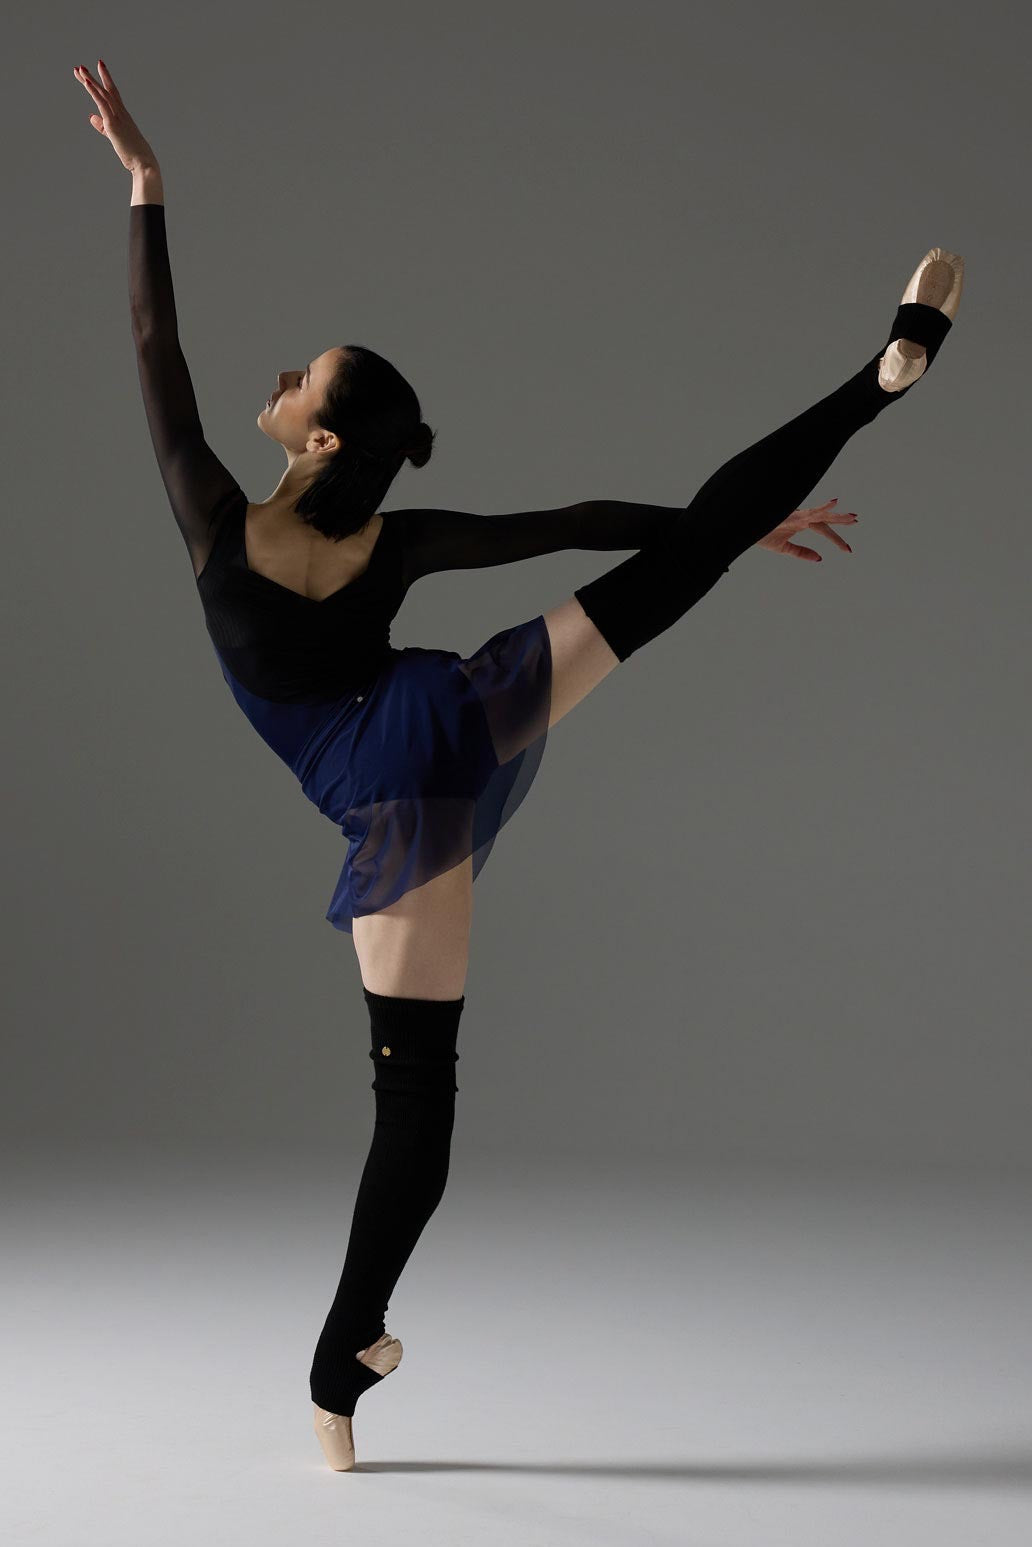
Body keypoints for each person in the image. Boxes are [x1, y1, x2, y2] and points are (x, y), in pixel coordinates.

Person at [74, 59, 964, 1470]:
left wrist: (147, 182)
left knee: (414, 1105)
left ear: (316, 437)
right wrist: (729, 531)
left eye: (301, 377)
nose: (282, 377)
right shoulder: (399, 540)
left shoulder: (209, 515)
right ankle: (877, 378)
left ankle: (340, 1371)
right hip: (456, 711)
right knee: (661, 580)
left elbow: (150, 344)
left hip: (391, 801)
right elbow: (574, 522)